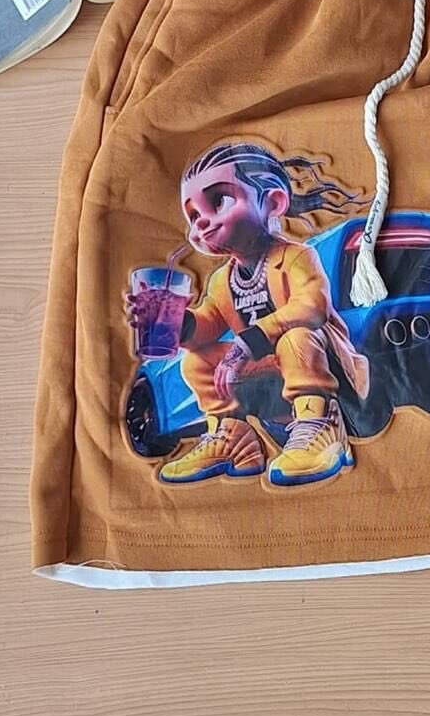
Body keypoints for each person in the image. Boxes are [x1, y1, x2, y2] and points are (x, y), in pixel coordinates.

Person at [126, 142, 370, 485]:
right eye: (193, 216)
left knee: (296, 338)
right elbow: (208, 325)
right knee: (196, 361)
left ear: (273, 202)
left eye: (218, 201)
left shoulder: (296, 257)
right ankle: (233, 439)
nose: (201, 223)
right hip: (269, 371)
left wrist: (246, 343)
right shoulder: (222, 280)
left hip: (323, 366)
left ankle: (321, 426)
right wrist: (176, 322)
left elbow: (311, 307)